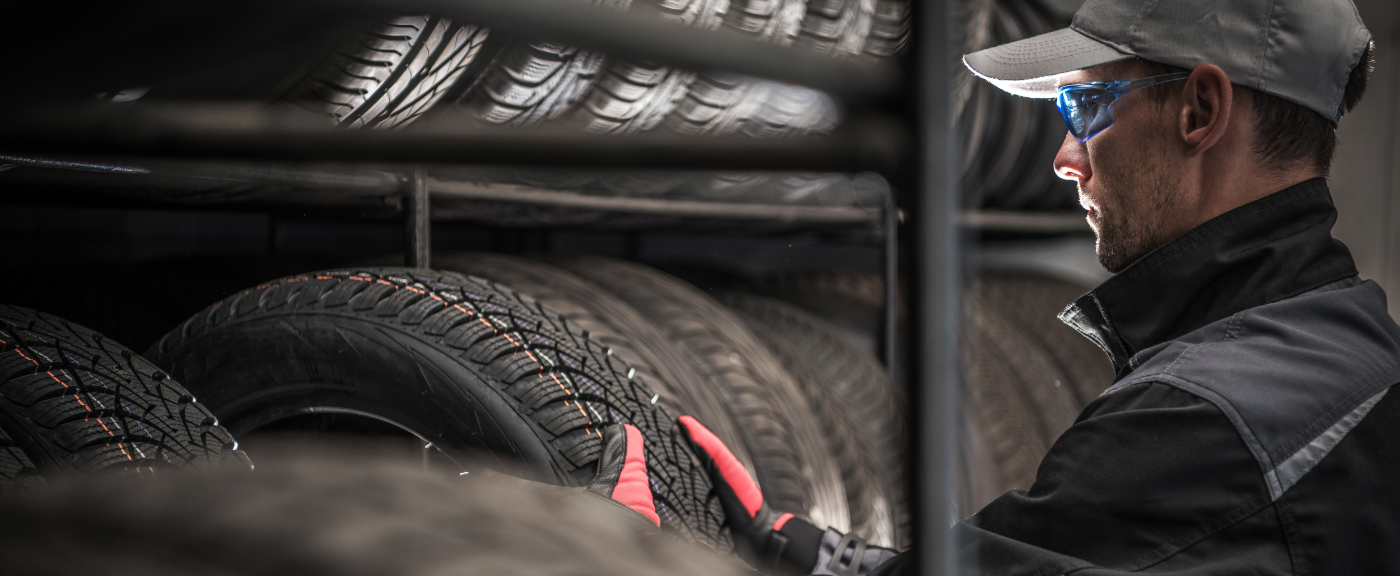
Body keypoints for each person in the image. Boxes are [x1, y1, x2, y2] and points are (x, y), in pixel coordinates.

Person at [659, 0, 1400, 574]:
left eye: (1085, 108)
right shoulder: (1357, 346)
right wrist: (796, 547)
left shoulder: (1204, 419)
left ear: (1200, 112)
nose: (1063, 158)